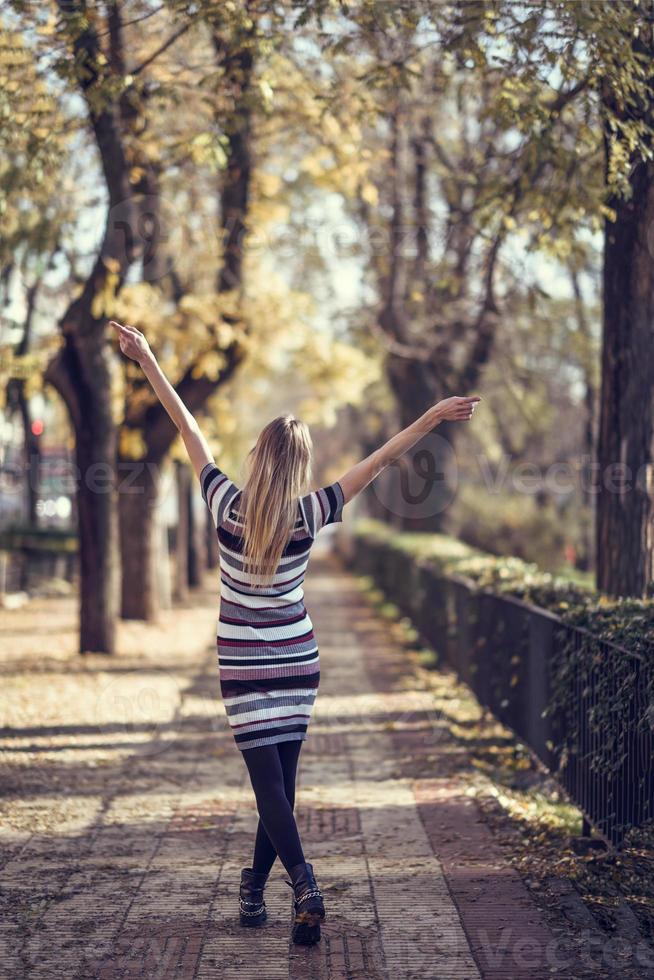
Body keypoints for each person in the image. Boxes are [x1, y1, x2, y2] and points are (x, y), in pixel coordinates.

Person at [111, 319, 480, 945]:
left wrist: (147, 357)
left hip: (246, 669)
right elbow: (383, 459)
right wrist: (431, 417)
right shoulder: (311, 513)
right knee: (278, 786)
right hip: (298, 660)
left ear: (258, 455)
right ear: (301, 463)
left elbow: (187, 426)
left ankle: (300, 884)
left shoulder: (226, 505)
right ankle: (258, 888)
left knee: (271, 788)